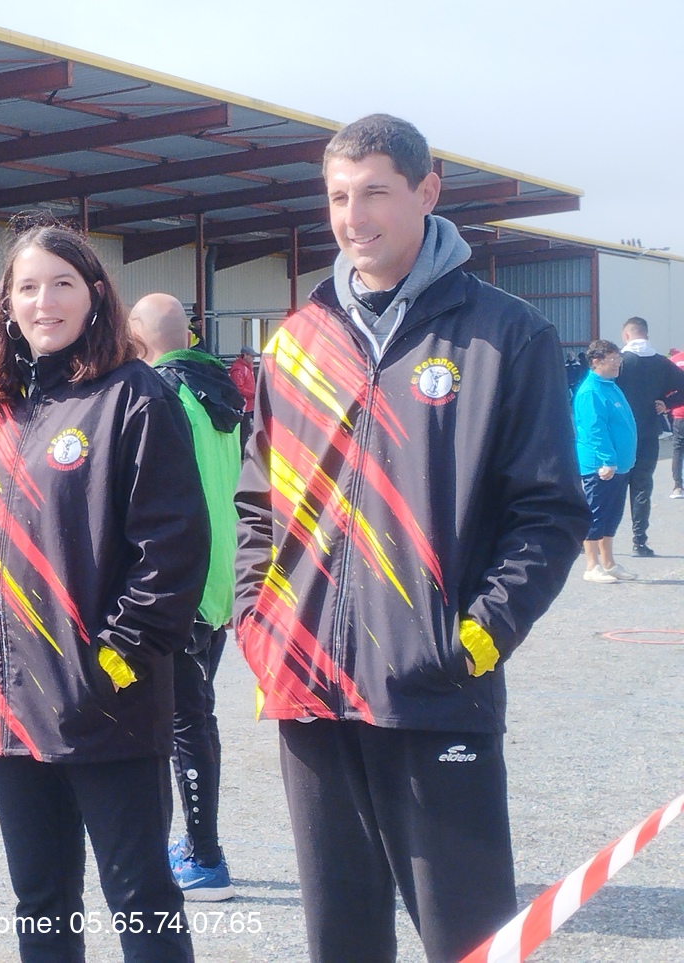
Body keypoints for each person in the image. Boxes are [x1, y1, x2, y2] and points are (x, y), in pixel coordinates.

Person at [232, 114, 588, 963]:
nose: (354, 218)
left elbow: (548, 511)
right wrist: (260, 622)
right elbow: (256, 504)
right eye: (338, 197)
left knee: (468, 939)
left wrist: (479, 635)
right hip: (308, 687)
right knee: (342, 939)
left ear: (427, 192)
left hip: (435, 688)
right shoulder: (296, 341)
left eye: (375, 193)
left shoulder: (506, 333)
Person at [0, 219, 208, 962]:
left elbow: (173, 548)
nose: (44, 301)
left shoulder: (134, 397)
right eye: (27, 287)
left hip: (101, 700)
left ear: (94, 295)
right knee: (42, 899)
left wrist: (118, 657)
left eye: (61, 284)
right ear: (6, 304)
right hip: (6, 700)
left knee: (140, 897)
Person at [128, 292, 243, 902]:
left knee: (184, 721)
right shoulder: (214, 388)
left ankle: (204, 856)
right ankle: (195, 847)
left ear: (138, 338)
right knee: (192, 715)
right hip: (220, 581)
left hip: (183, 584)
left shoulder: (161, 394)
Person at [615, 317, 684, 555]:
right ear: (646, 334)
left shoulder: (620, 362)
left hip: (620, 433)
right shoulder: (662, 363)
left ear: (626, 335)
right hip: (648, 431)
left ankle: (597, 538)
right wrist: (666, 403)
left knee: (611, 486)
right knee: (642, 486)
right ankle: (640, 541)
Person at [573, 340, 638, 582]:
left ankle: (608, 563)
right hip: (599, 466)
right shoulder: (591, 391)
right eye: (612, 360)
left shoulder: (610, 386)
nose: (617, 364)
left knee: (612, 515)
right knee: (596, 514)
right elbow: (595, 429)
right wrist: (607, 460)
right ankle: (592, 566)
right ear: (596, 361)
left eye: (618, 359)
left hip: (619, 465)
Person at [227, 345, 257, 451]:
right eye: (251, 356)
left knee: (246, 430)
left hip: (248, 404)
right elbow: (238, 388)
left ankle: (242, 452)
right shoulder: (240, 369)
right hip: (243, 405)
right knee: (244, 431)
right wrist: (252, 394)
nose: (252, 358)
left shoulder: (245, 368)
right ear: (245, 355)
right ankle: (241, 453)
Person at [670, 347, 684, 498]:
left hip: (680, 412)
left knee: (678, 448)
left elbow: (668, 387)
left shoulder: (675, 360)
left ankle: (678, 486)